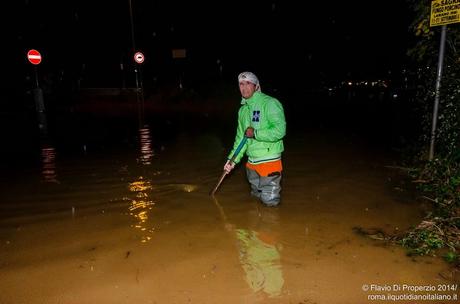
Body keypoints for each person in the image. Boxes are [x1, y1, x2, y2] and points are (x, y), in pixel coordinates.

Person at [224, 71, 286, 206]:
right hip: (251, 164)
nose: (244, 87)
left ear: (256, 86)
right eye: (241, 84)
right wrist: (231, 160)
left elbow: (280, 130)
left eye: (248, 83)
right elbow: (241, 139)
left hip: (269, 161)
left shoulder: (270, 103)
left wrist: (256, 133)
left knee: (270, 204)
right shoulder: (243, 111)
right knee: (255, 201)